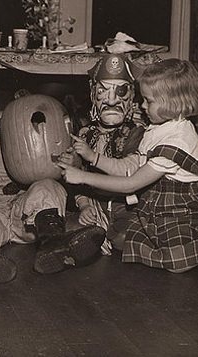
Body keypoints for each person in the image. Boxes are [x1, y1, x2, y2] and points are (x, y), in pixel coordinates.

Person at [0, 71, 106, 284]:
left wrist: (70, 162)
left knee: (47, 186)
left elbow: (45, 163)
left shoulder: (11, 127)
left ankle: (53, 243)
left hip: (24, 213)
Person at [60, 59, 198, 273]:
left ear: (171, 103)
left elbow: (130, 184)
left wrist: (83, 177)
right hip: (156, 204)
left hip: (181, 208)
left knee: (176, 263)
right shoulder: (158, 128)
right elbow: (128, 167)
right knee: (125, 244)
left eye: (148, 101)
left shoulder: (177, 141)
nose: (142, 106)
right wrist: (94, 157)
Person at [59, 53, 145, 254]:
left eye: (120, 91)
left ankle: (105, 237)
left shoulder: (137, 133)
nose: (112, 100)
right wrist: (84, 205)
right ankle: (96, 235)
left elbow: (128, 173)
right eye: (103, 92)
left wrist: (93, 156)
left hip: (126, 206)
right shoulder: (85, 134)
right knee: (68, 230)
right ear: (92, 96)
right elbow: (75, 179)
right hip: (94, 202)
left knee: (124, 238)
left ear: (132, 96)